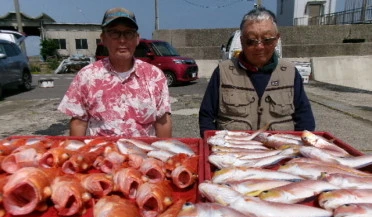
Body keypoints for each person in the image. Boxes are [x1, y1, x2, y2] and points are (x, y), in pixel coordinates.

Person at [198, 7, 315, 137]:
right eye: (251, 41)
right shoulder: (223, 71)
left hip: (280, 152)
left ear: (276, 39)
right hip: (233, 153)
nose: (259, 47)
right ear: (242, 41)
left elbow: (305, 119)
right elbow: (206, 117)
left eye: (267, 40)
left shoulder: (290, 72)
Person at [58, 7, 172, 137]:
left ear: (137, 39)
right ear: (103, 38)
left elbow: (163, 121)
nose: (122, 40)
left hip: (143, 154)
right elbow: (79, 122)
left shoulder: (155, 76)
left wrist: (163, 155)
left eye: (129, 33)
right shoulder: (87, 76)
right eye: (114, 33)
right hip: (101, 154)